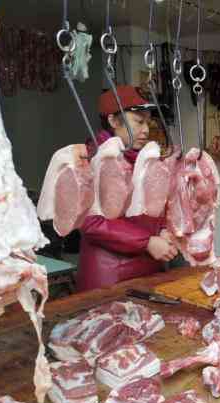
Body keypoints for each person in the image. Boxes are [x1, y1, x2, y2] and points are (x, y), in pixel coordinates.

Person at [76, 85, 178, 292]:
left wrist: (162, 230)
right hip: (110, 276)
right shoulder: (92, 159)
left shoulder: (143, 159)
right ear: (113, 121)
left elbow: (151, 208)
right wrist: (146, 242)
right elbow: (91, 222)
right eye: (139, 122)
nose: (146, 129)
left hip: (150, 269)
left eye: (147, 122)